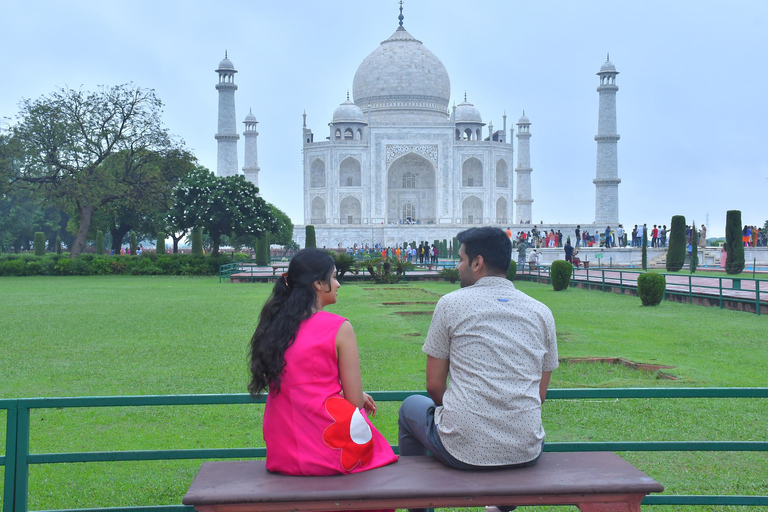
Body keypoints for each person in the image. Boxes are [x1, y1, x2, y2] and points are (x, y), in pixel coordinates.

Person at [397, 227, 558, 512]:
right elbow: (540, 394)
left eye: (460, 259)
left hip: (461, 448)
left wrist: (462, 415)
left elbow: (433, 386)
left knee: (409, 408)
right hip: (526, 447)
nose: (457, 267)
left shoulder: (451, 304)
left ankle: (419, 504)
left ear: (477, 262)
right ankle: (499, 508)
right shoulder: (541, 311)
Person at [248, 248, 397, 477]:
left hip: (282, 447)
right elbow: (355, 401)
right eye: (334, 276)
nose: (338, 284)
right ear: (318, 283)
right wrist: (358, 396)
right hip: (324, 444)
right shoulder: (339, 327)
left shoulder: (275, 325)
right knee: (377, 457)